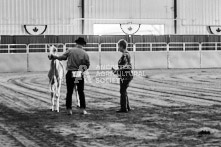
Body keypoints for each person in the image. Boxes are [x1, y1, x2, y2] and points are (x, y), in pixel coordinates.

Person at [49, 37, 90, 115]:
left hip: (70, 73)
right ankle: (82, 109)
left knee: (69, 92)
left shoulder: (70, 51)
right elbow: (87, 65)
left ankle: (69, 110)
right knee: (81, 91)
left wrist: (54, 57)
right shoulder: (85, 53)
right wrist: (81, 70)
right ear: (83, 45)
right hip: (78, 74)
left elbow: (62, 57)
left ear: (76, 43)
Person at [112, 39, 133, 113]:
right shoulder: (126, 54)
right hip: (126, 75)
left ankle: (124, 108)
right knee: (124, 91)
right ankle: (126, 107)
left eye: (119, 46)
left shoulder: (125, 54)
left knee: (122, 91)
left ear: (121, 46)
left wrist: (118, 70)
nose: (118, 48)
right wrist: (118, 70)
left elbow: (127, 66)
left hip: (125, 76)